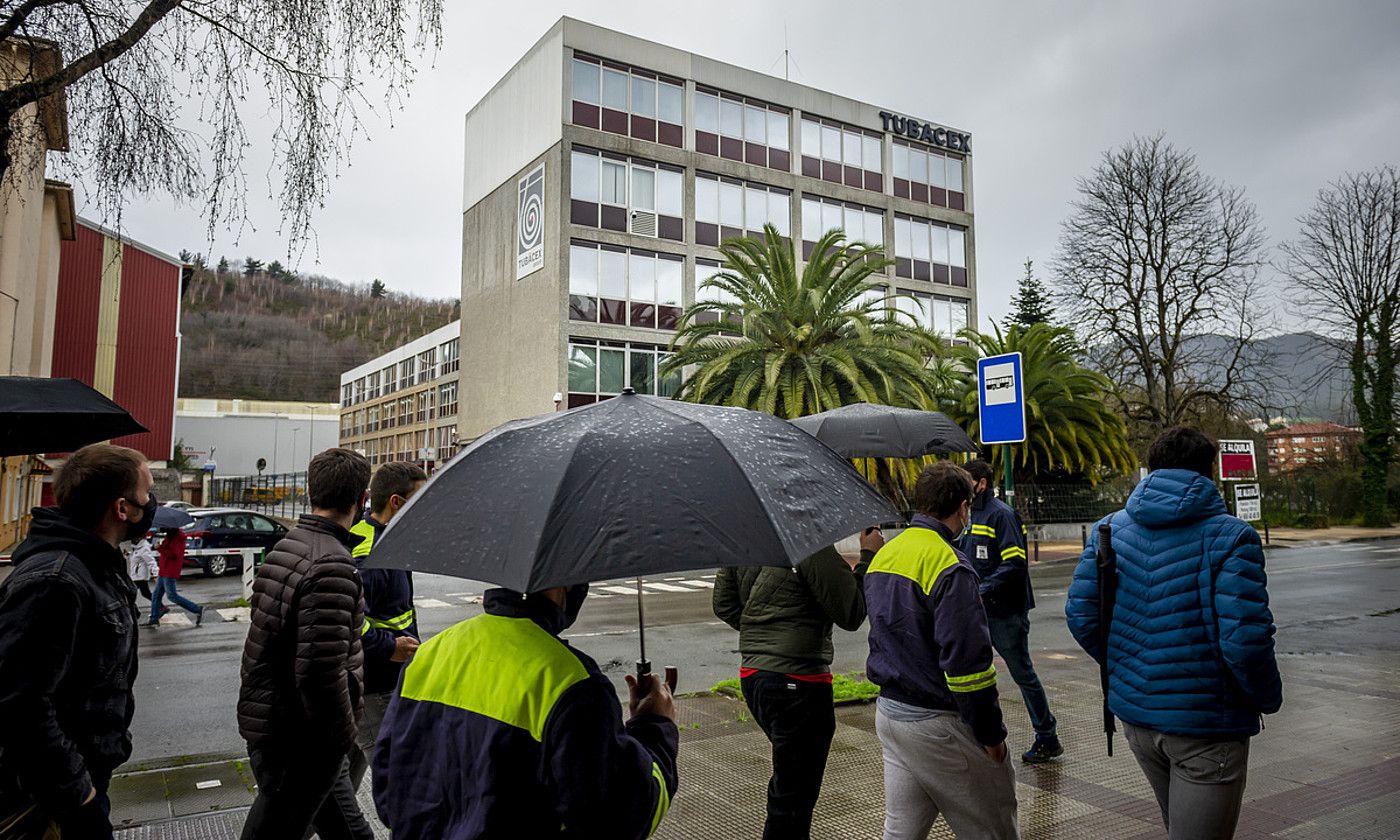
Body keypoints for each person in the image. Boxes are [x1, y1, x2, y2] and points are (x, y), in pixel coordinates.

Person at [1066, 427, 1282, 840]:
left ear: (1154, 467)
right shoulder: (1233, 536)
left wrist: (1127, 667)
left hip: (1137, 720)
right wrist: (1267, 698)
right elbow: (1245, 642)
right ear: (1208, 472)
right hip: (1206, 728)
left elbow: (1082, 617)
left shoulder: (1107, 529)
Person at [372, 585, 679, 839]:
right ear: (564, 583)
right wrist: (655, 724)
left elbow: (388, 794)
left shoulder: (429, 655)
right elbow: (620, 819)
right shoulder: (573, 684)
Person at [0, 443, 155, 838]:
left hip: (79, 782)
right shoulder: (55, 582)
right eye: (146, 495)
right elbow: (19, 704)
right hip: (49, 800)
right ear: (121, 509)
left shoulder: (96, 566)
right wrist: (79, 795)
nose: (150, 504)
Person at [865, 461, 1019, 840]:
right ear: (963, 508)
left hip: (890, 715)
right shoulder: (950, 565)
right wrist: (991, 734)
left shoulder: (887, 553)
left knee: (901, 831)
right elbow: (969, 668)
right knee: (993, 828)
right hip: (938, 723)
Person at [237, 447, 374, 840]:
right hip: (303, 741)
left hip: (275, 725)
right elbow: (318, 674)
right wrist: (342, 739)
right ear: (361, 499)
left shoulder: (288, 545)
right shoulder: (332, 565)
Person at [712, 532, 884, 840]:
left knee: (790, 787)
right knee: (792, 799)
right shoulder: (808, 542)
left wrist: (765, 632)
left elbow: (724, 604)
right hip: (800, 683)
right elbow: (851, 610)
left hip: (755, 677)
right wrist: (868, 556)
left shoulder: (744, 540)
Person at [957, 459, 1062, 763]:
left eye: (966, 480)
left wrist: (982, 589)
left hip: (1005, 612)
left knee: (1022, 673)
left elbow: (1015, 563)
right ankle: (979, 735)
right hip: (978, 610)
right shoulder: (969, 515)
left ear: (981, 484)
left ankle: (1047, 736)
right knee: (971, 673)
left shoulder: (1001, 515)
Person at [349, 461, 427, 786]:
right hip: (375, 689)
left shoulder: (388, 540)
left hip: (382, 682)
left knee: (329, 792)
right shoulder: (371, 554)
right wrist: (390, 645)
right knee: (401, 787)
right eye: (419, 500)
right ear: (395, 502)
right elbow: (349, 620)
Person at [148, 526, 204, 627]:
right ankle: (154, 618)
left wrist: (159, 548)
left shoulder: (177, 538)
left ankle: (196, 609)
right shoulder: (171, 536)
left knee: (172, 596)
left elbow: (174, 555)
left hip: (170, 570)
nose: (162, 529)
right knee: (156, 595)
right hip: (164, 570)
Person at [125, 533, 158, 602]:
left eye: (134, 538)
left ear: (140, 538)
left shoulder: (144, 548)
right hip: (137, 575)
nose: (132, 540)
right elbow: (136, 558)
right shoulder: (137, 547)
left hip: (140, 576)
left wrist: (155, 574)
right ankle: (160, 606)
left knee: (130, 592)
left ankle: (131, 609)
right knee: (145, 593)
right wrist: (128, 554)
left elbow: (151, 561)